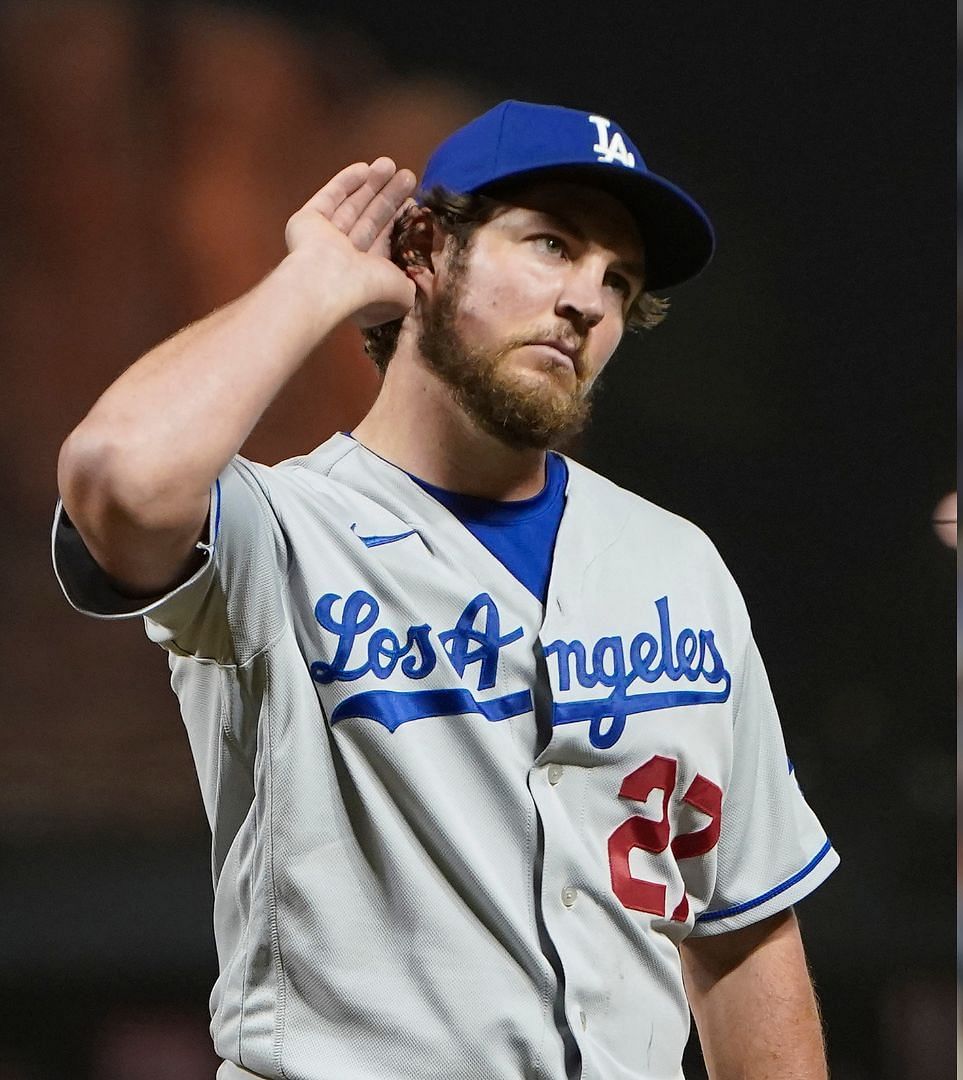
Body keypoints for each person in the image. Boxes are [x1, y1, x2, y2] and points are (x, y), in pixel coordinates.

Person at [53, 100, 836, 1079]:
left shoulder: (676, 563)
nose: (588, 300)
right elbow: (117, 479)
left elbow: (744, 928)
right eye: (551, 244)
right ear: (422, 243)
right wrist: (315, 284)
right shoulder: (282, 531)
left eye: (618, 280)